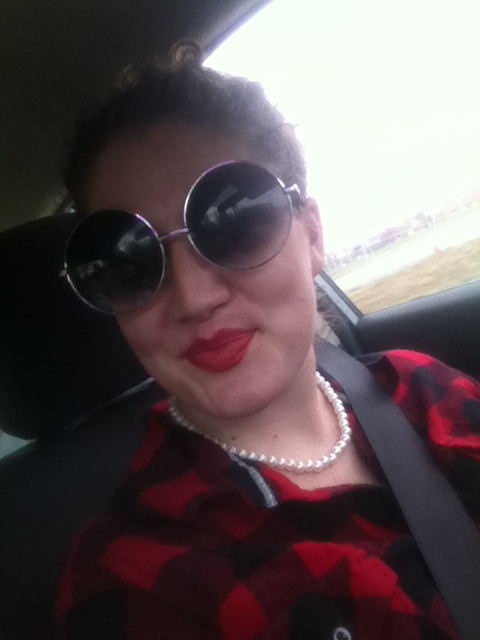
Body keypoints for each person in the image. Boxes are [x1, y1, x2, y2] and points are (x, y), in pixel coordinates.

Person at [56, 52, 480, 640]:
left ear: (312, 235)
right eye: (127, 263)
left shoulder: (425, 391)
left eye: (233, 223)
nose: (194, 298)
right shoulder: (135, 575)